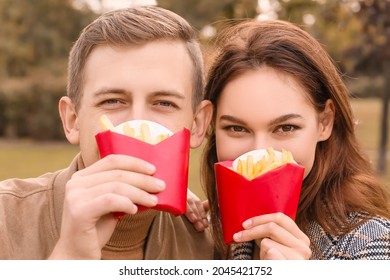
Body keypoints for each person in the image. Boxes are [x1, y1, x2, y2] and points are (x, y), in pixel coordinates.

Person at [0, 6, 215, 260]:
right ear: (72, 120)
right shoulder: (6, 219)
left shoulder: (210, 246)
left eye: (164, 103)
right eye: (113, 101)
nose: (137, 125)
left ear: (198, 125)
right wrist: (70, 257)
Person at [201, 19, 390, 260]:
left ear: (325, 122)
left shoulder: (372, 246)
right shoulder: (207, 233)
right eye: (237, 128)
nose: (260, 154)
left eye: (285, 127)